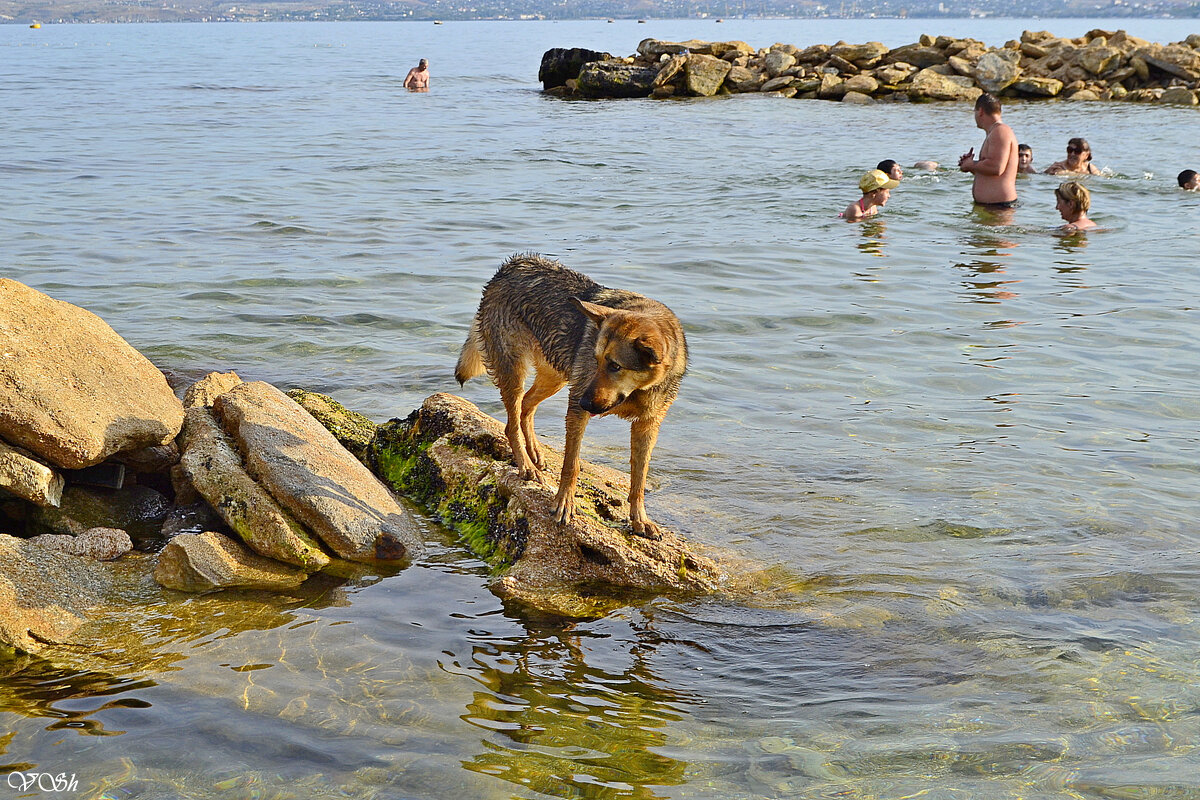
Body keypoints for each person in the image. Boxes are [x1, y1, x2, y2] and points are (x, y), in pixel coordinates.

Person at [958, 93, 1019, 209]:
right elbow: (991, 173)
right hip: (991, 206)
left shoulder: (1000, 131)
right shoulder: (994, 132)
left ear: (980, 111)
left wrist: (972, 164)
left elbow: (996, 167)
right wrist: (970, 166)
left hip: (999, 207)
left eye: (974, 111)